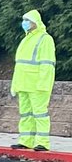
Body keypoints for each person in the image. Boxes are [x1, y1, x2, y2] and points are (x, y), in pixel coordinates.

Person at [10, 10, 57, 152]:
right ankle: (25, 140)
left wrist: (43, 83)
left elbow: (47, 64)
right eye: (24, 20)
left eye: (27, 20)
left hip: (37, 85)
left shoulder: (45, 39)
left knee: (40, 114)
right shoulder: (26, 39)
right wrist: (15, 85)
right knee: (25, 114)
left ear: (35, 22)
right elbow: (20, 65)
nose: (24, 23)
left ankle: (43, 142)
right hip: (23, 84)